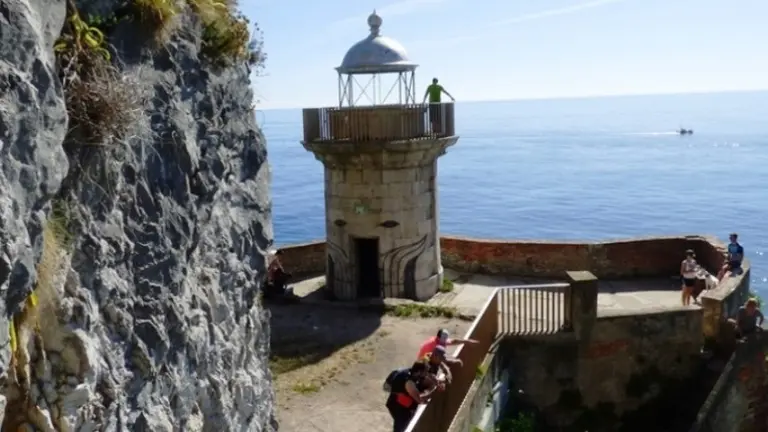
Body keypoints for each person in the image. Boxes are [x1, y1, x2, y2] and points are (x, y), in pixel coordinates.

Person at [385, 361, 434, 432]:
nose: (426, 374)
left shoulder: (414, 373)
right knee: (402, 427)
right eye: (425, 372)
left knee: (404, 425)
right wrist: (432, 391)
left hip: (403, 404)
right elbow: (419, 400)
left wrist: (434, 384)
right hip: (398, 406)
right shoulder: (409, 382)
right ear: (419, 372)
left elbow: (429, 382)